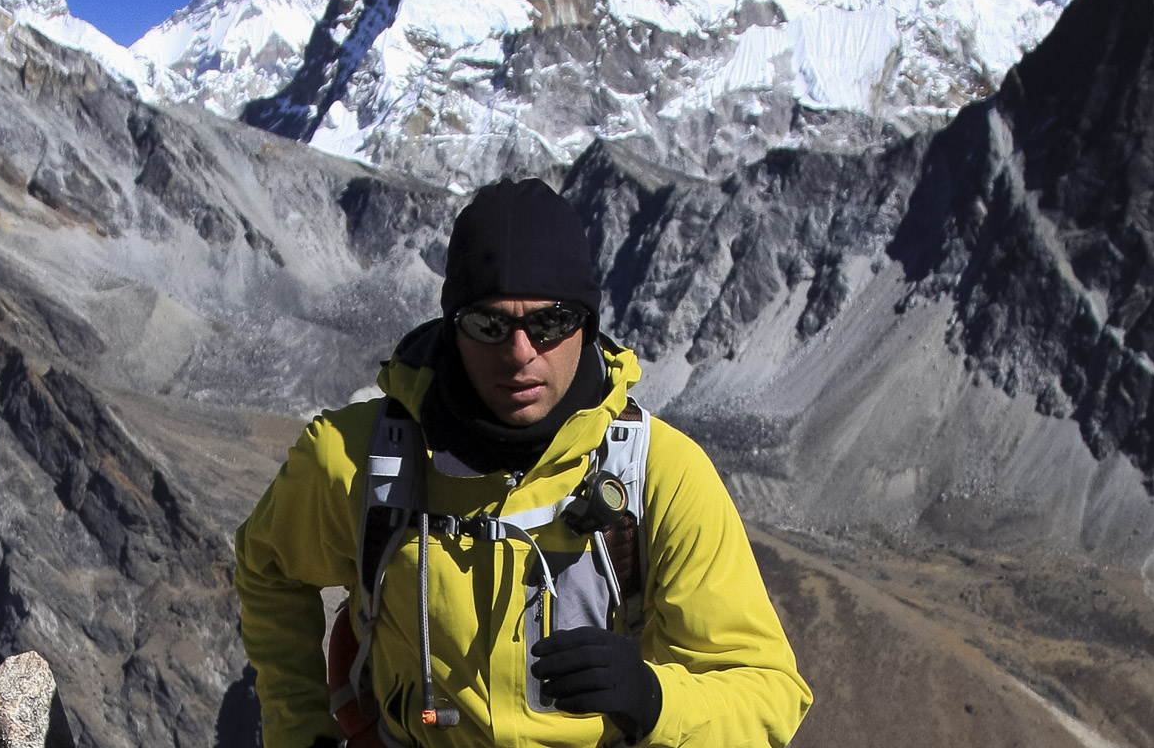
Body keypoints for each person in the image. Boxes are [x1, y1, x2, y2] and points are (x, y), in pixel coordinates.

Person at [235, 178, 811, 747]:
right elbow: (267, 567)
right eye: (488, 324)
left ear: (586, 323)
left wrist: (654, 702)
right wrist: (298, 731)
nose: (519, 352)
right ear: (452, 327)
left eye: (550, 322)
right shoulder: (356, 460)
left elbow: (770, 696)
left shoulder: (660, 476)